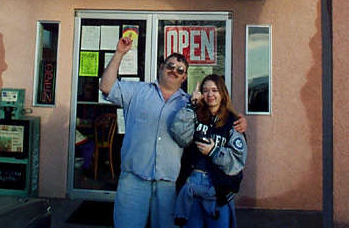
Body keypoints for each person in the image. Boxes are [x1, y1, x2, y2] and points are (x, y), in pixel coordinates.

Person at [99, 37, 247, 228]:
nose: (174, 71)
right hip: (134, 180)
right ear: (161, 68)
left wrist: (239, 121)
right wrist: (119, 53)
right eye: (170, 66)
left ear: (184, 77)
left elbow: (217, 113)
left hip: (169, 184)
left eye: (180, 70)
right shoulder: (138, 91)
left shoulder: (191, 105)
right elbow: (106, 87)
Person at [171, 74, 247, 228]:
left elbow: (237, 162)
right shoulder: (196, 115)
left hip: (218, 187)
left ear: (222, 93)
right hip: (192, 183)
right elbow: (179, 135)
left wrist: (214, 151)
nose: (210, 94)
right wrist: (192, 105)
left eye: (214, 90)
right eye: (206, 91)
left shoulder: (233, 122)